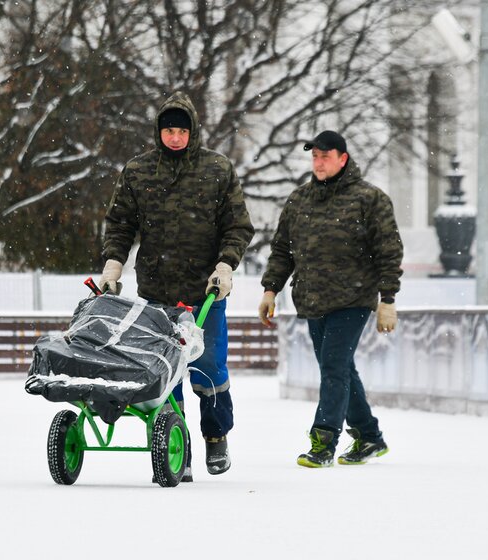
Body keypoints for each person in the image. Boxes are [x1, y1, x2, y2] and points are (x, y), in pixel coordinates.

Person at [99, 91, 254, 480]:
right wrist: (114, 264)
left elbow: (237, 225)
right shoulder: (138, 171)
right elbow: (120, 223)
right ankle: (175, 448)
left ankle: (216, 436)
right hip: (157, 292)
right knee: (163, 373)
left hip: (206, 291)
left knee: (208, 367)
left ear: (192, 132)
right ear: (158, 131)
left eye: (181, 131)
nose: (174, 138)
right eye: (168, 131)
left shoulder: (217, 169)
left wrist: (225, 265)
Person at [258, 130, 403, 468]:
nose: (319, 163)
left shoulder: (369, 199)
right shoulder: (300, 200)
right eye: (315, 157)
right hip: (312, 299)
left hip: (354, 298)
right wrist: (270, 290)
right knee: (338, 367)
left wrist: (388, 299)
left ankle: (323, 442)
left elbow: (389, 251)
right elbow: (282, 250)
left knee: (334, 367)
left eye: (325, 156)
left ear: (343, 159)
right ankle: (369, 435)